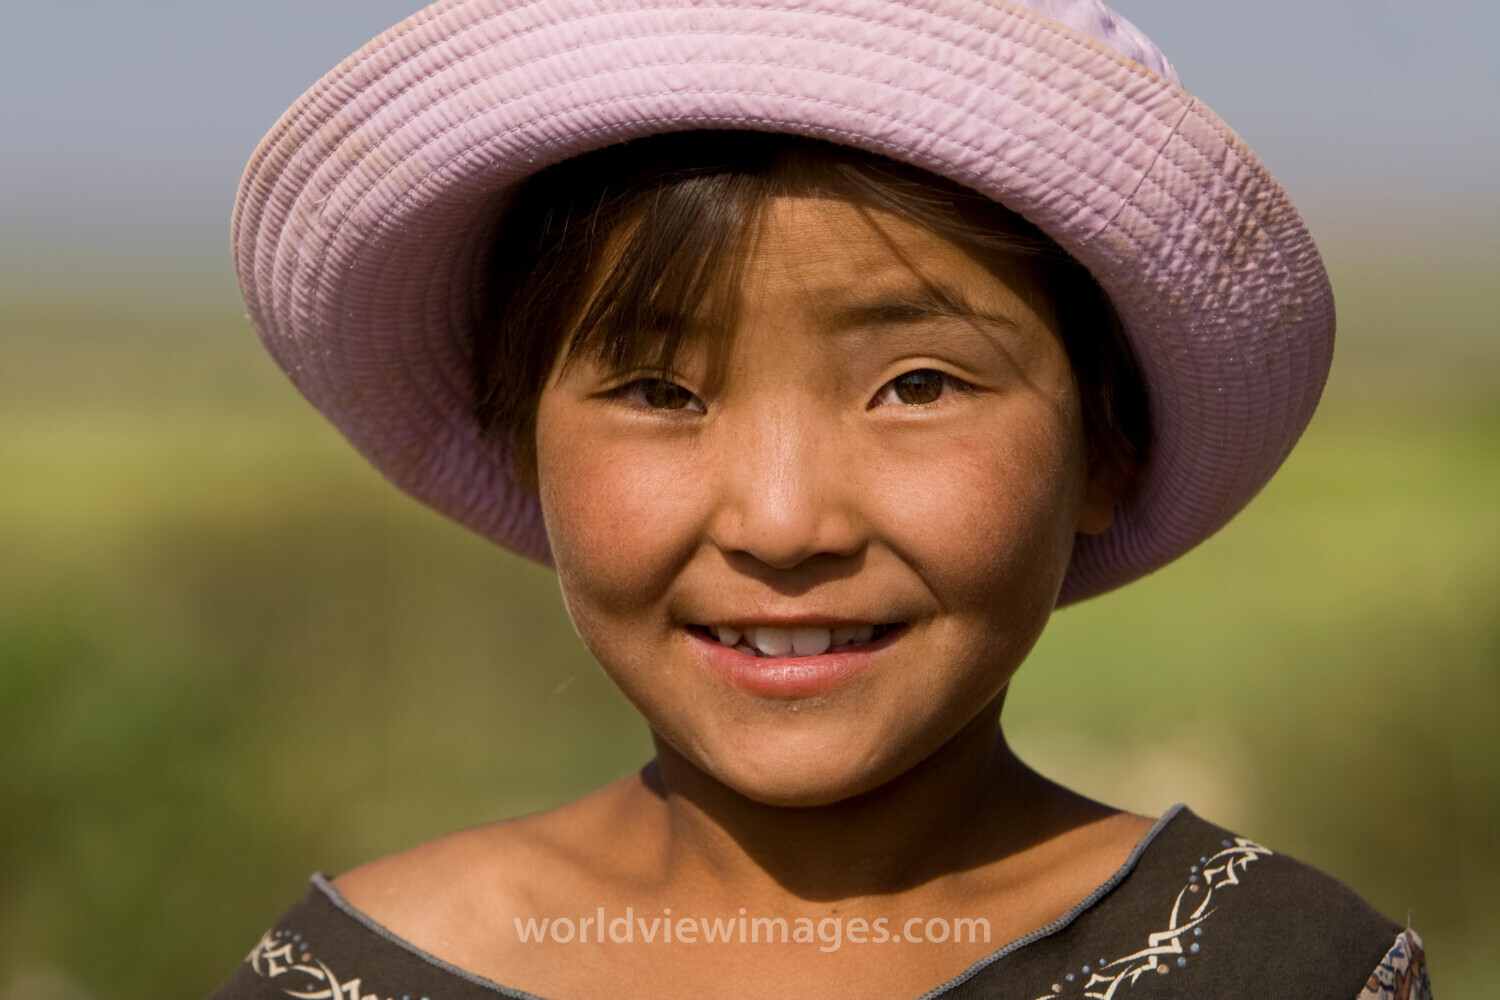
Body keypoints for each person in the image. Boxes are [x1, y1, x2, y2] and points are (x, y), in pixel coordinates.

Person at [212, 1, 1430, 997]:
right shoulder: (343, 979)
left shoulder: (1281, 970)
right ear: (519, 433)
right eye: (660, 390)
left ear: (1105, 449)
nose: (784, 524)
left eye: (917, 385)